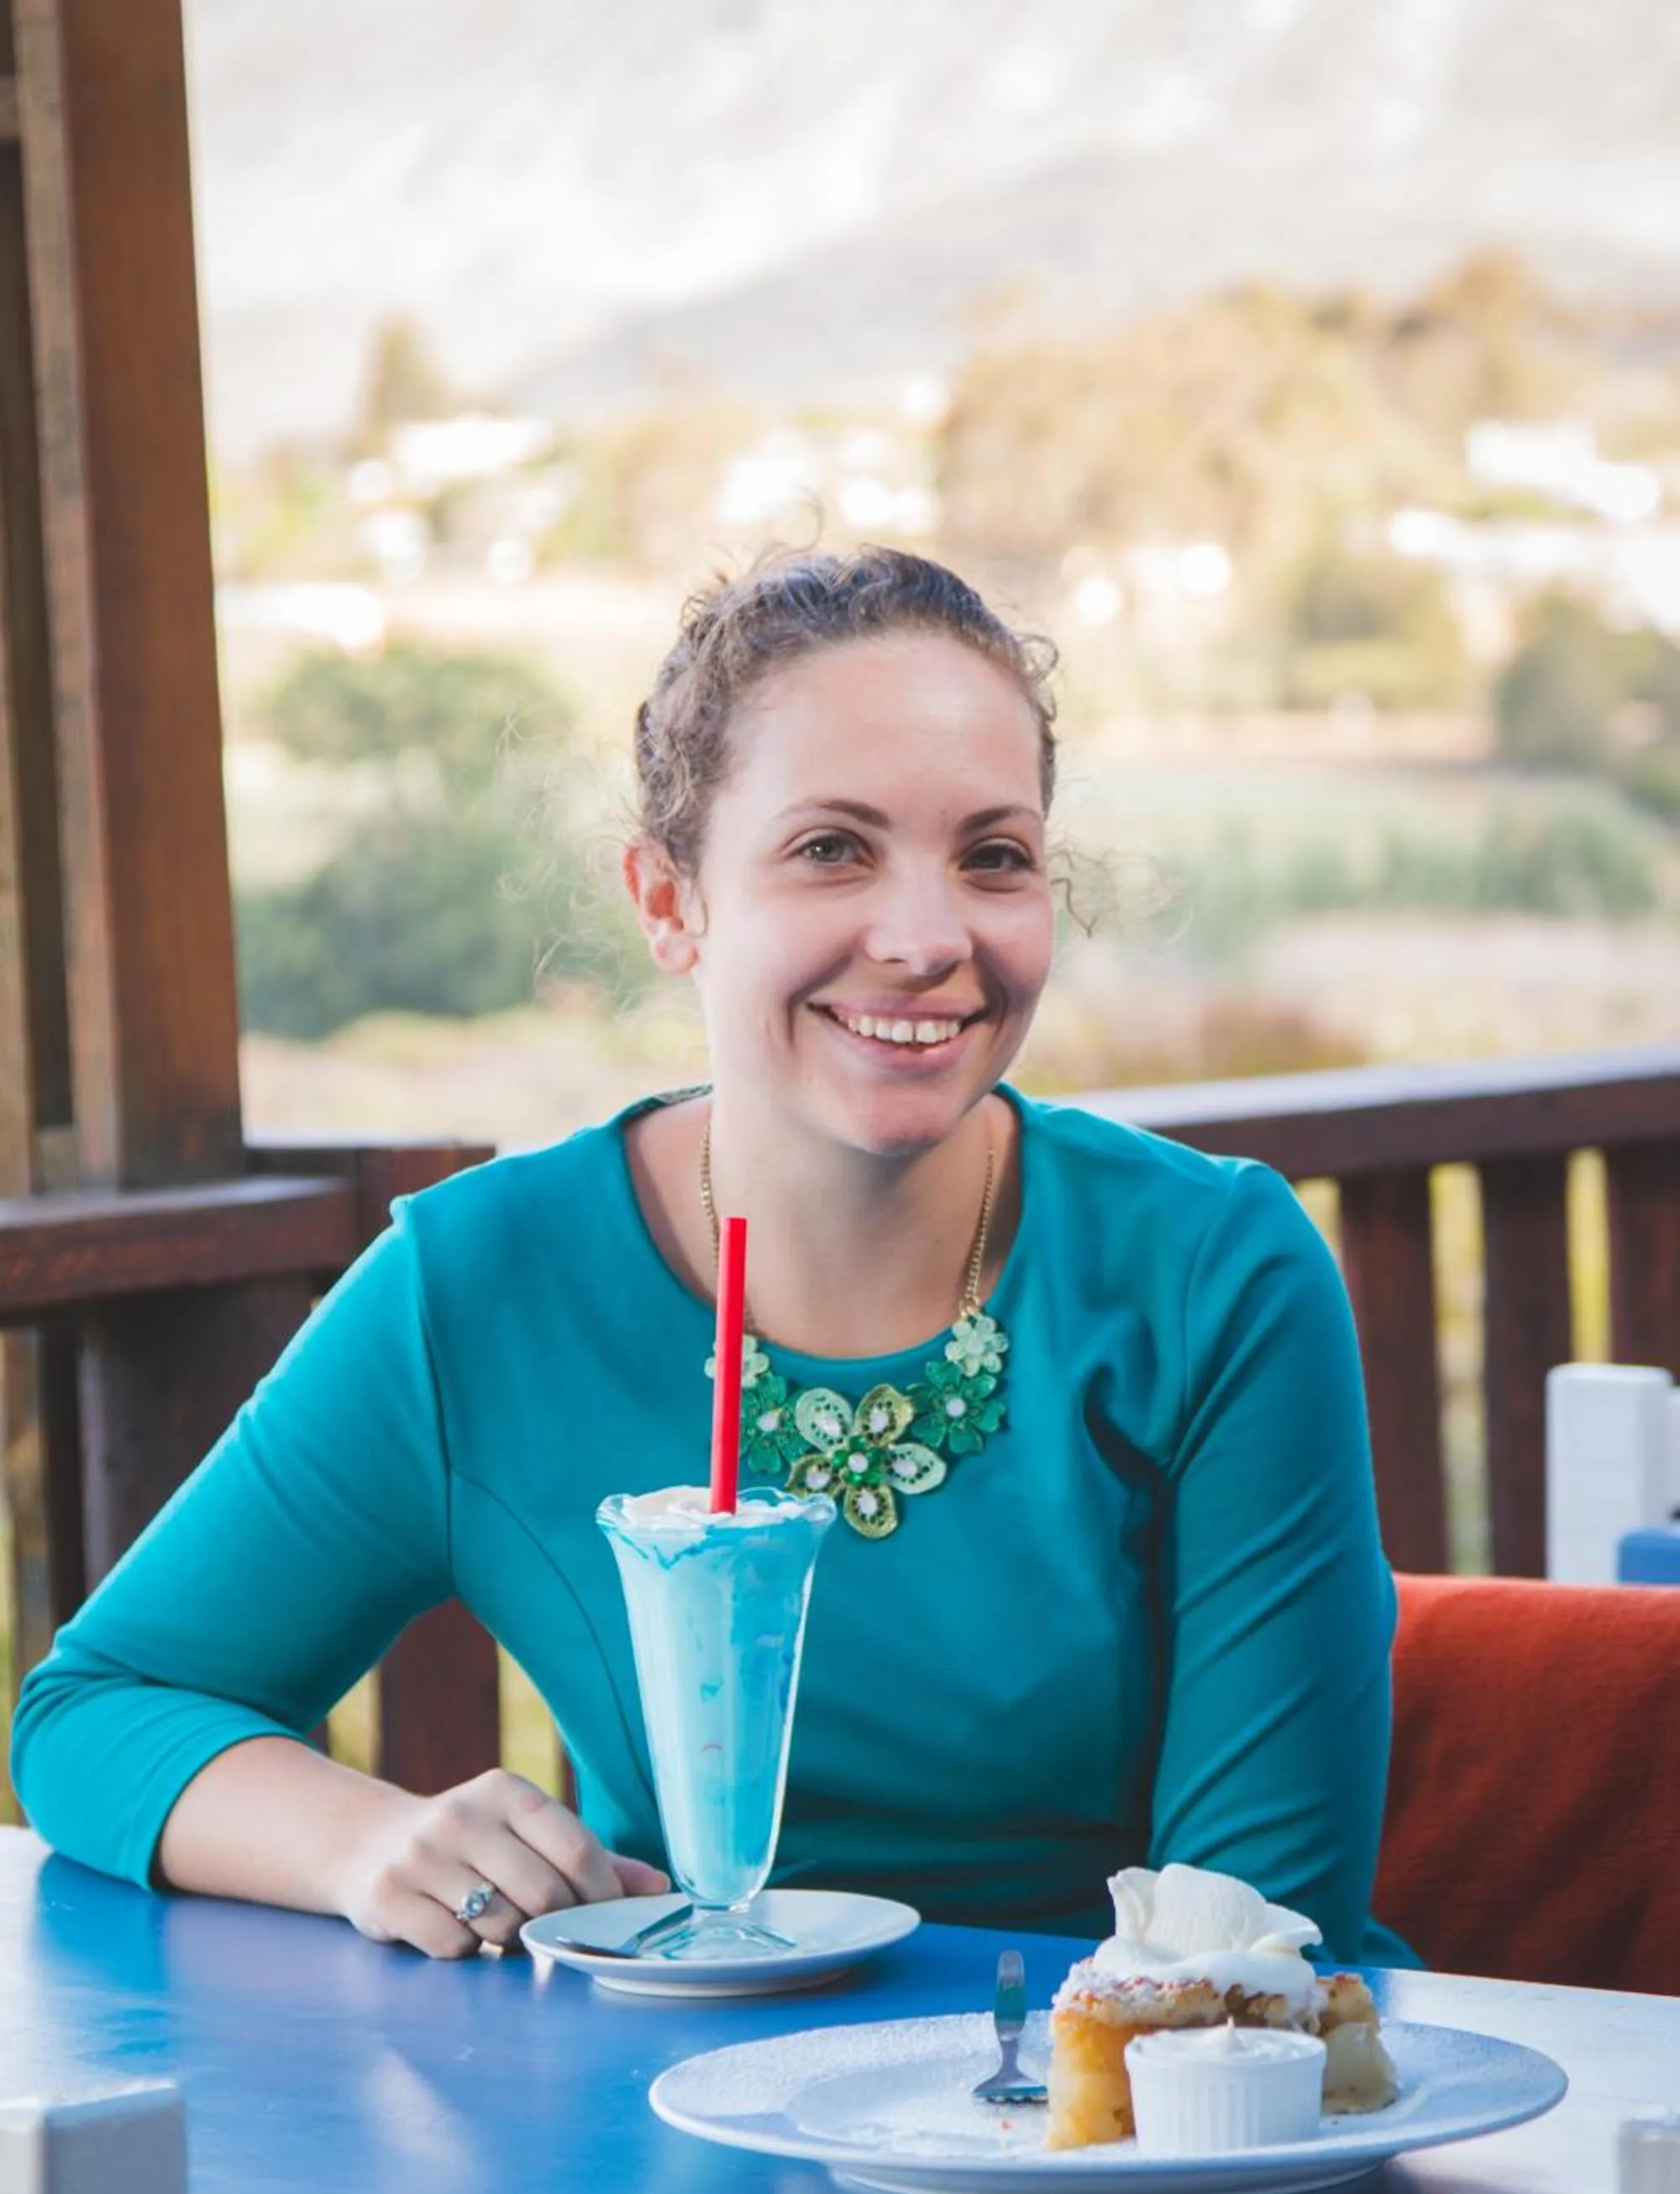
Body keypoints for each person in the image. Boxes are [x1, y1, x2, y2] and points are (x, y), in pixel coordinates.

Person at [10, 547, 1397, 1963]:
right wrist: (363, 1842)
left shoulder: (1215, 1274)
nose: (928, 939)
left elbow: (1255, 1939)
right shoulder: (482, 1285)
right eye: (831, 849)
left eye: (993, 856)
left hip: (1139, 2080)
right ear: (670, 902)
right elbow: (97, 1712)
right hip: (680, 2073)